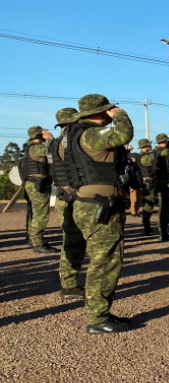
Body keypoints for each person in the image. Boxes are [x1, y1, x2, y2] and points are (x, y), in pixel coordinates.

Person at [65, 94, 134, 334]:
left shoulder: (73, 135)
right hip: (99, 205)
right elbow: (124, 134)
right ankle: (97, 318)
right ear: (99, 112)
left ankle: (99, 312)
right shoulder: (91, 133)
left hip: (87, 202)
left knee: (100, 260)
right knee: (105, 262)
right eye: (107, 110)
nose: (109, 113)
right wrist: (121, 116)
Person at [46, 108, 87, 300]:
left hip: (64, 195)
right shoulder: (71, 141)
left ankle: (68, 283)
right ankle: (69, 285)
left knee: (71, 240)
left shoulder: (54, 143)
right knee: (74, 241)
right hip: (74, 196)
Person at [21, 125, 57, 253]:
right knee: (40, 214)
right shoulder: (37, 148)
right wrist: (51, 139)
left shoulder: (30, 147)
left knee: (33, 213)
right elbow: (55, 151)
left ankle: (32, 238)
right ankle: (38, 243)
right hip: (38, 184)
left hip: (33, 183)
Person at [152, 133, 169, 241]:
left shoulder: (153, 152)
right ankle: (163, 232)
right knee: (166, 207)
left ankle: (162, 231)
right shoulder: (165, 151)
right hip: (165, 182)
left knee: (162, 207)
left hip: (158, 181)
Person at [136, 139, 158, 236]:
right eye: (149, 145)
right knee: (147, 207)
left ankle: (147, 227)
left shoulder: (139, 156)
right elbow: (153, 165)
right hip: (147, 183)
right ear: (146, 147)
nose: (151, 147)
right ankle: (146, 228)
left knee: (147, 206)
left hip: (145, 183)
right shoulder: (145, 157)